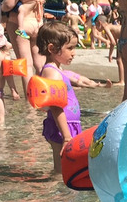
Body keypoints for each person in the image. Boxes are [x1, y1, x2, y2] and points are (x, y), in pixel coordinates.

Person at [35, 21, 109, 173]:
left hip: (68, 126)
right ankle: (53, 187)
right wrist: (66, 136)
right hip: (61, 128)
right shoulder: (51, 72)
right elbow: (56, 106)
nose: (74, 53)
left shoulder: (57, 69)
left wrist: (97, 86)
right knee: (60, 170)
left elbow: (74, 80)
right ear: (52, 49)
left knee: (68, 167)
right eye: (70, 48)